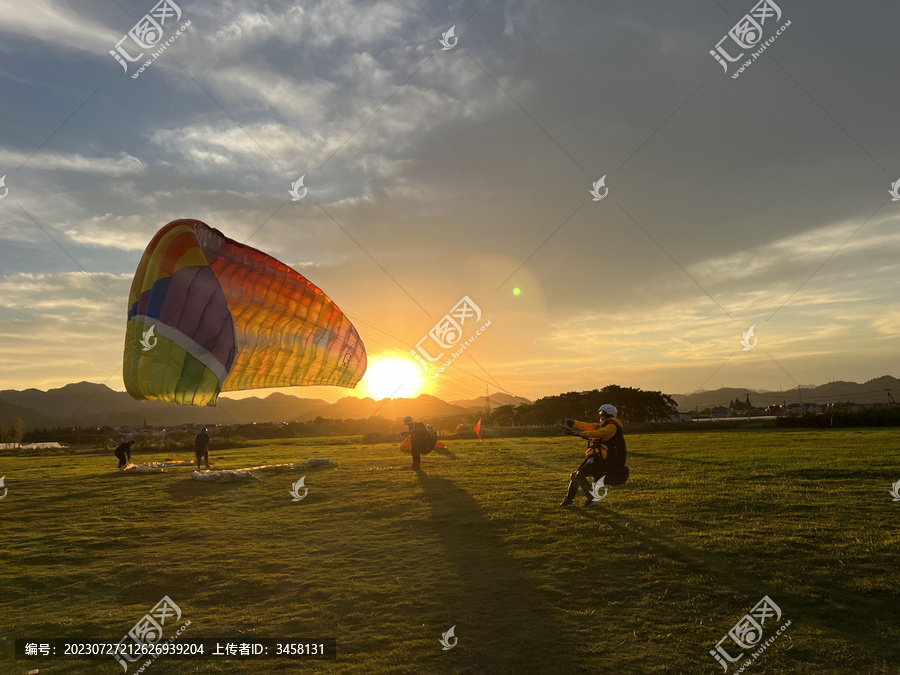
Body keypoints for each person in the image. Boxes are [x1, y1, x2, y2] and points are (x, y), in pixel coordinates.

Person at [559, 404, 629, 508]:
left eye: (603, 413)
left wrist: (579, 434)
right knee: (575, 476)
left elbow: (597, 433)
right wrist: (574, 422)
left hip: (601, 459)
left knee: (579, 476)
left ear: (609, 414)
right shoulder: (603, 424)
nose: (601, 415)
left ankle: (589, 499)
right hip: (595, 456)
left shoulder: (612, 427)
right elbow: (589, 426)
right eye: (600, 413)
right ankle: (570, 501)